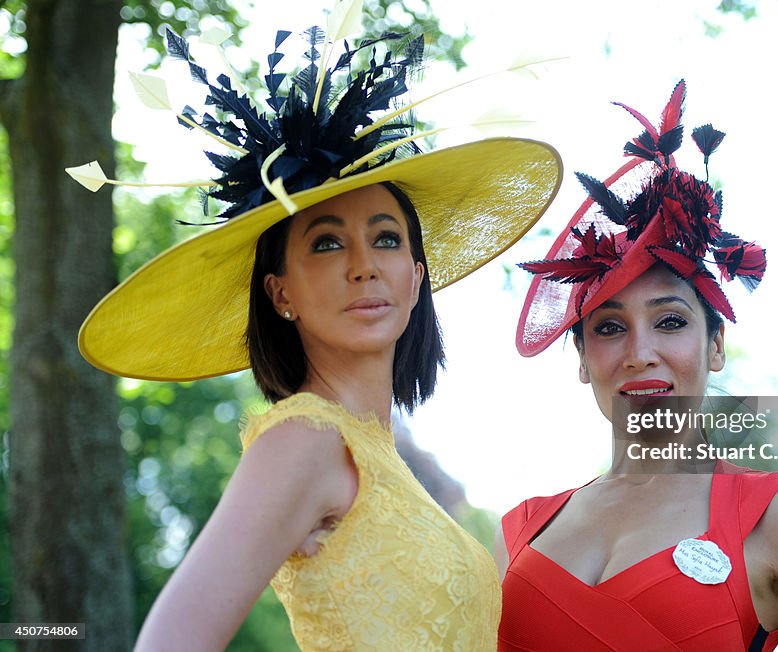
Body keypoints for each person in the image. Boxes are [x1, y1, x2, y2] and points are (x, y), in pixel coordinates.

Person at [68, 8, 561, 650]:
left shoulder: (380, 457)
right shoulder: (303, 439)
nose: (363, 267)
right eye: (326, 244)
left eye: (384, 238)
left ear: (415, 278)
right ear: (281, 294)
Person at [495, 80, 778, 651]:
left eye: (669, 322)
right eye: (609, 328)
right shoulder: (516, 536)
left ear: (715, 347)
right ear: (584, 359)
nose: (640, 353)